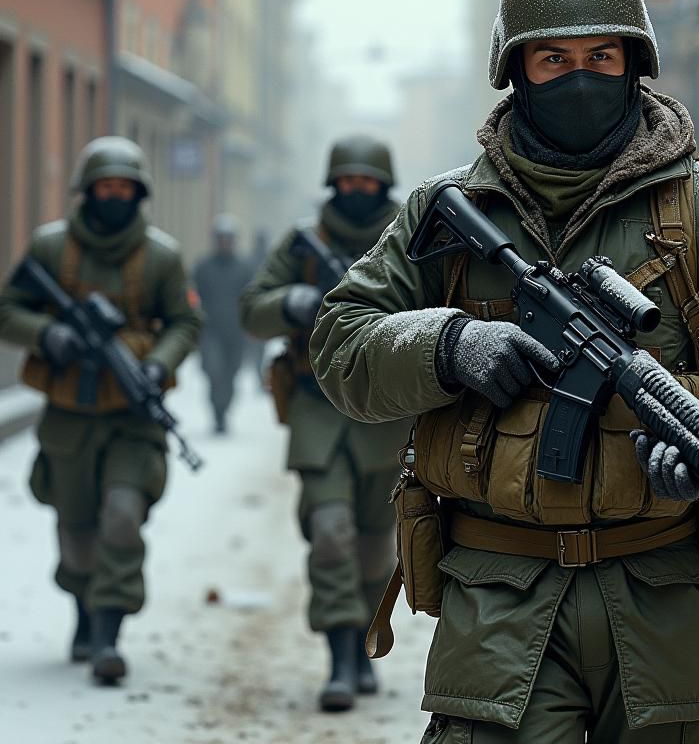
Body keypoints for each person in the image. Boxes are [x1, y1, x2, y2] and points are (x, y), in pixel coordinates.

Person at [309, 0, 699, 743]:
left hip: (669, 596)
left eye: (600, 55)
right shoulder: (447, 212)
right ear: (516, 70)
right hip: (500, 599)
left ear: (634, 64)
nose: (580, 76)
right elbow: (342, 345)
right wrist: (449, 345)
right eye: (554, 58)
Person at [0, 137, 201, 684]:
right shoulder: (51, 248)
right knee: (76, 528)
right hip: (68, 413)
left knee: (121, 516)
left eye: (124, 188)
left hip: (132, 419)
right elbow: (8, 309)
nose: (114, 196)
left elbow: (185, 323)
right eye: (104, 187)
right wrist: (50, 334)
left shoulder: (160, 256)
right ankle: (84, 611)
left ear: (138, 193)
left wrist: (157, 365)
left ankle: (109, 632)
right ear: (87, 192)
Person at [239, 135, 407, 713]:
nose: (357, 190)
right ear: (332, 184)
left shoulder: (410, 238)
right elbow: (251, 308)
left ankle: (362, 644)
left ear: (384, 185)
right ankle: (339, 653)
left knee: (374, 545)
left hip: (386, 413)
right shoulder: (303, 244)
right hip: (317, 410)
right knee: (330, 532)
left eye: (368, 181)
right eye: (348, 180)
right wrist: (292, 301)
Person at [192, 214, 254, 433]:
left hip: (236, 332)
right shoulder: (203, 267)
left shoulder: (245, 268)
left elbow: (252, 299)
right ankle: (217, 412)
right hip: (210, 332)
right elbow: (192, 297)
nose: (225, 242)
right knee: (214, 372)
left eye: (228, 238)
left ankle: (224, 409)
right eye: (221, 238)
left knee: (230, 375)